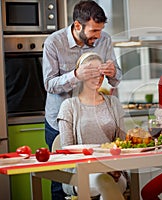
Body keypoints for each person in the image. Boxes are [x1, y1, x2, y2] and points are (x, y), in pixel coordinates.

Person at [42, 1, 122, 199]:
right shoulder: (54, 42)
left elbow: (116, 77)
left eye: (101, 30)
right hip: (61, 119)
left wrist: (113, 73)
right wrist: (76, 75)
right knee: (62, 182)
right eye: (94, 30)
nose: (98, 36)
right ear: (78, 26)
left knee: (101, 178)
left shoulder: (104, 40)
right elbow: (49, 84)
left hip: (94, 118)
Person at [57, 52, 127, 200]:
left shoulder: (113, 103)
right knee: (104, 182)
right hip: (78, 173)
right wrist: (99, 168)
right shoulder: (69, 106)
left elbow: (123, 143)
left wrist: (113, 168)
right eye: (92, 73)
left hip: (114, 171)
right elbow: (67, 150)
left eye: (101, 73)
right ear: (81, 74)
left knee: (108, 183)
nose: (98, 78)